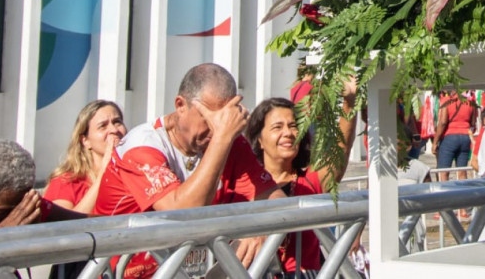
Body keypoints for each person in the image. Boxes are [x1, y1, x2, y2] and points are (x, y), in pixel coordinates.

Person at [93, 64, 282, 276]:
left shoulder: (229, 140)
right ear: (181, 105)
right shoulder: (140, 146)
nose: (216, 128)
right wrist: (221, 139)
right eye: (209, 119)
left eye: (223, 120)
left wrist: (259, 228)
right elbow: (184, 214)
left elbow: (277, 200)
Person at [246, 86, 357, 275]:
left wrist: (349, 103)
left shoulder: (310, 182)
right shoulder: (244, 184)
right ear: (259, 140)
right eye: (277, 127)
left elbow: (341, 150)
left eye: (293, 126)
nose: (288, 133)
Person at [45, 100, 127, 213]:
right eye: (103, 126)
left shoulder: (135, 173)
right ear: (85, 140)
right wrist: (104, 174)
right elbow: (63, 226)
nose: (114, 130)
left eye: (117, 122)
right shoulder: (66, 182)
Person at [432, 90, 477, 182]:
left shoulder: (447, 101)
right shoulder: (470, 102)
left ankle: (444, 194)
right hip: (465, 137)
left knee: (443, 171)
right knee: (462, 171)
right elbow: (473, 123)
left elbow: (443, 122)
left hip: (450, 138)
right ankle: (462, 193)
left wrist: (435, 142)